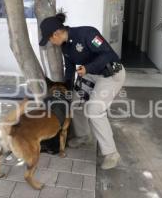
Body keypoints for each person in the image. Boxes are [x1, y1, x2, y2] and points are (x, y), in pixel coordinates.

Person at [38, 13, 126, 169]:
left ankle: (111, 154)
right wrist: (67, 89)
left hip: (111, 74)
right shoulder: (65, 46)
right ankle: (84, 136)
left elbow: (109, 54)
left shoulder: (87, 33)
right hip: (91, 74)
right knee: (76, 102)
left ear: (56, 33)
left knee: (94, 109)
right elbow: (70, 69)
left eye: (50, 39)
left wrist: (88, 68)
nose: (51, 42)